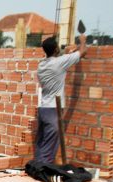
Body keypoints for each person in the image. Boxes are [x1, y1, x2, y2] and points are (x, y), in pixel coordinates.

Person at [35, 34, 87, 163]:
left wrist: (68, 53)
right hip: (54, 110)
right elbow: (83, 52)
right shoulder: (59, 62)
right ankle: (44, 172)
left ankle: (37, 169)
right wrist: (82, 40)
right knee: (49, 147)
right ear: (56, 50)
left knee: (42, 143)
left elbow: (59, 58)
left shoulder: (41, 65)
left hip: (43, 109)